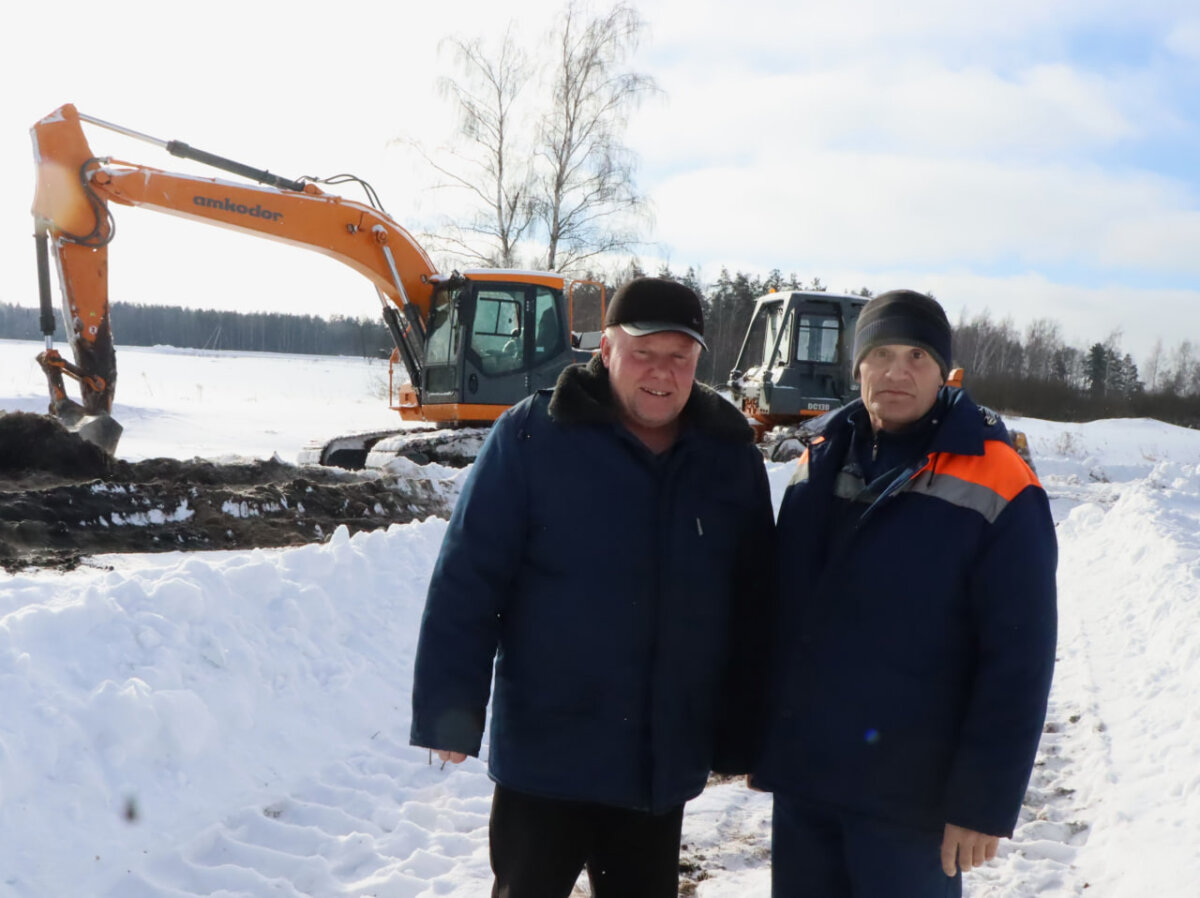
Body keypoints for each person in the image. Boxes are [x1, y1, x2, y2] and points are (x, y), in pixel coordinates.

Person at [411, 276, 775, 898]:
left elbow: (753, 604)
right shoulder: (533, 436)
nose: (661, 373)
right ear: (605, 350)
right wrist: (450, 712)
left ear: (698, 361)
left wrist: (745, 734)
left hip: (658, 758)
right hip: (547, 754)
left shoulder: (728, 456)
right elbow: (469, 578)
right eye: (643, 352)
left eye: (679, 356)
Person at [753, 290, 1057, 898]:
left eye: (917, 356)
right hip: (808, 783)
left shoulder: (1000, 479)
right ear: (857, 366)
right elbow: (782, 615)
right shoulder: (819, 459)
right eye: (881, 354)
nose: (896, 372)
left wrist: (983, 801)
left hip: (913, 800)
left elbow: (1019, 657)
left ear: (944, 372)